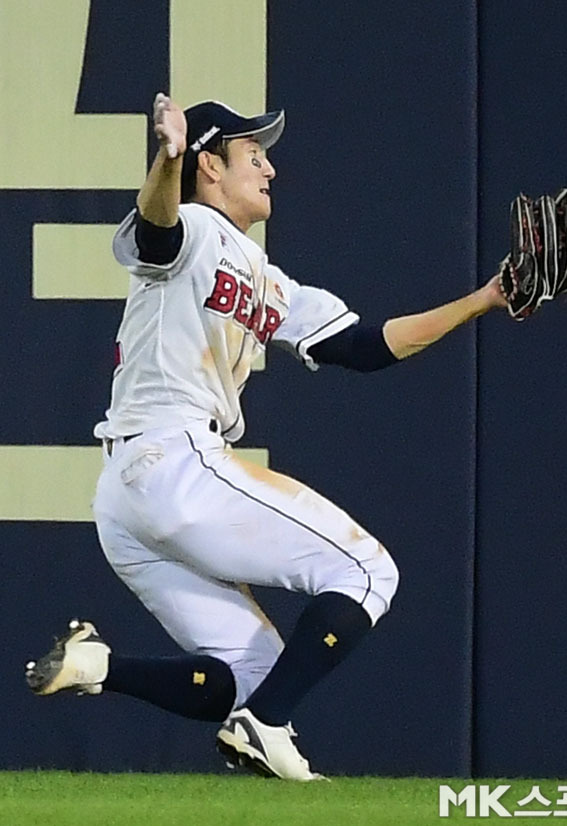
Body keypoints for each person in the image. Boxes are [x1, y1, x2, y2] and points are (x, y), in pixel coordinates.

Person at [25, 93, 507, 781]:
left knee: (250, 673)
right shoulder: (189, 225)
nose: (271, 169)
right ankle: (264, 726)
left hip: (125, 499)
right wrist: (168, 159)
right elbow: (157, 231)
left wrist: (484, 299)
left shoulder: (270, 282)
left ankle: (100, 666)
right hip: (177, 458)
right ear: (209, 167)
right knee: (367, 571)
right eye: (255, 154)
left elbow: (365, 346)